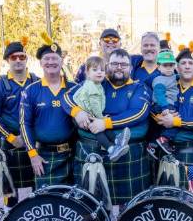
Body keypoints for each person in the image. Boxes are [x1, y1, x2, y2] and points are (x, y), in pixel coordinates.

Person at [64, 49, 151, 209]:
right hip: (92, 149)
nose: (119, 67)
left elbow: (139, 112)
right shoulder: (95, 81)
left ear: (130, 68)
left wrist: (106, 123)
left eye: (124, 64)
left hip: (128, 153)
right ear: (107, 65)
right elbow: (67, 97)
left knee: (131, 207)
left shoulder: (139, 87)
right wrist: (77, 112)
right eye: (114, 64)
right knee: (92, 203)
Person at [20, 35, 80, 188]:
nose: (51, 62)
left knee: (73, 204)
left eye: (55, 58)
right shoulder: (31, 90)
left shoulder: (75, 88)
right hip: (43, 156)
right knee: (47, 201)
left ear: (61, 61)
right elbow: (24, 124)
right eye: (47, 59)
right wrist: (33, 155)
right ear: (40, 62)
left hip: (73, 154)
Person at [0, 39, 39, 207]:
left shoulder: (38, 82)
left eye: (21, 56)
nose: (18, 60)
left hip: (36, 144)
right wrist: (11, 138)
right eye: (13, 57)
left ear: (26, 59)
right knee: (10, 193)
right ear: (7, 60)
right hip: (11, 146)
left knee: (38, 190)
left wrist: (35, 137)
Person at [154, 47, 193, 186]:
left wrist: (175, 122)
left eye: (191, 63)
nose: (187, 66)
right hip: (166, 151)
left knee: (191, 199)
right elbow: (154, 104)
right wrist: (159, 116)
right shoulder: (168, 85)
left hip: (191, 151)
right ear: (177, 67)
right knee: (166, 197)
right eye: (183, 63)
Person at [72, 56, 130, 161]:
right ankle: (111, 149)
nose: (99, 72)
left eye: (102, 70)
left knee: (103, 126)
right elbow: (94, 104)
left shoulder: (96, 84)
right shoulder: (91, 86)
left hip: (90, 113)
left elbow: (76, 95)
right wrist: (100, 118)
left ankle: (117, 140)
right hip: (86, 116)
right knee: (98, 129)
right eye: (95, 70)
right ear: (87, 73)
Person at [152, 49, 180, 154]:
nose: (168, 68)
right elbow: (159, 95)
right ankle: (164, 139)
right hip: (163, 104)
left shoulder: (173, 76)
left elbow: (176, 77)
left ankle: (153, 145)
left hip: (168, 104)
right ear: (158, 66)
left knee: (162, 126)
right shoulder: (159, 80)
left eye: (171, 65)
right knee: (175, 122)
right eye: (165, 65)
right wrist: (165, 108)